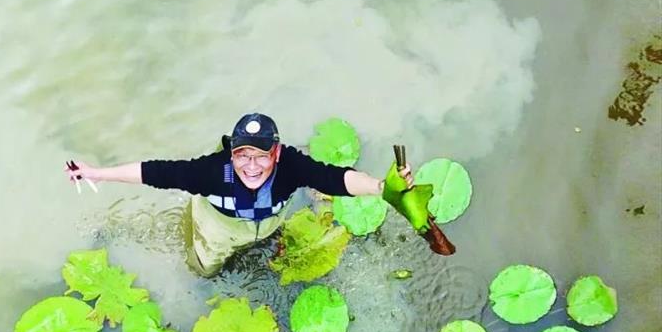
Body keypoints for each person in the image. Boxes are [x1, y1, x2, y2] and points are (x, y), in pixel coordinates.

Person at [66, 113, 415, 277]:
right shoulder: (211, 172)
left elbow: (335, 179)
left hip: (269, 219)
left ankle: (267, 239)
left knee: (274, 235)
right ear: (232, 153)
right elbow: (155, 172)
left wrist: (383, 189)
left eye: (261, 155)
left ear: (275, 153)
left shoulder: (291, 166)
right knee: (204, 269)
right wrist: (96, 172)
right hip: (219, 228)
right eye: (242, 154)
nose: (251, 165)